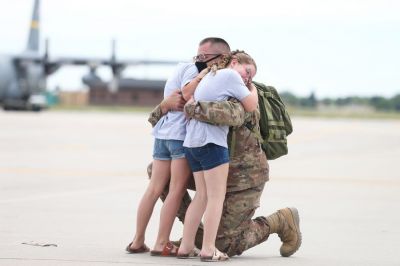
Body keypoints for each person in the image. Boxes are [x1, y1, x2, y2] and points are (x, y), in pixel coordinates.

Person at [147, 79, 302, 258]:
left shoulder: (239, 92)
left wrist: (189, 107)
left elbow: (233, 115)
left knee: (226, 245)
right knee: (160, 174)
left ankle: (280, 221)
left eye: (207, 58)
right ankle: (197, 238)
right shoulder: (200, 87)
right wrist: (165, 105)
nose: (202, 63)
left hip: (244, 178)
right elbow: (156, 121)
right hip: (211, 168)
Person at [126, 37, 231, 256]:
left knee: (154, 189)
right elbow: (186, 95)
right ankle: (161, 243)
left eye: (204, 57)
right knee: (175, 190)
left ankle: (138, 240)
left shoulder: (181, 67)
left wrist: (164, 106)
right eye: (199, 56)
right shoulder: (197, 71)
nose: (200, 60)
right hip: (179, 137)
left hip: (162, 134)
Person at [177, 51, 258, 262]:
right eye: (247, 71)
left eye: (251, 77)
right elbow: (251, 106)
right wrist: (252, 88)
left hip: (192, 143)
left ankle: (186, 247)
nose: (247, 78)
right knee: (216, 197)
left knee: (201, 196)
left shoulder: (211, 75)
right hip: (212, 142)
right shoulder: (230, 76)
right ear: (234, 62)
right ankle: (208, 249)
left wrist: (247, 82)